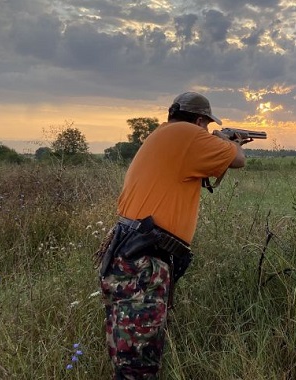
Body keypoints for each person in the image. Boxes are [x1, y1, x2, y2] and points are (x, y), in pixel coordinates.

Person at [97, 92, 250, 379]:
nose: (205, 131)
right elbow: (238, 159)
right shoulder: (189, 134)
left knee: (129, 348)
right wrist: (232, 142)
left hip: (133, 252)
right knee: (138, 362)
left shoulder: (165, 135)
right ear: (201, 120)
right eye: (205, 125)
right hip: (143, 258)